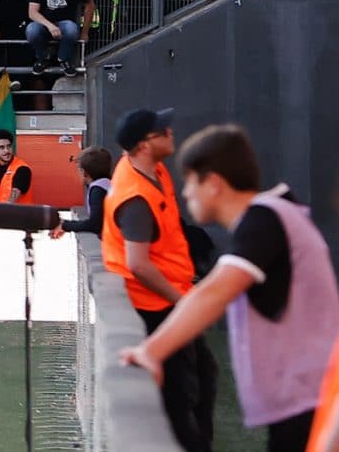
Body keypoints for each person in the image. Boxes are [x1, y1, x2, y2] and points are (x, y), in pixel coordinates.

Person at [120, 124, 337, 452]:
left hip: (313, 401)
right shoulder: (274, 217)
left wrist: (151, 351)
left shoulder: (266, 219)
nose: (186, 194)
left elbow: (215, 292)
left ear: (214, 184)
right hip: (309, 399)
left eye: (191, 182)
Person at [105, 108, 219, 452]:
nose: (170, 132)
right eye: (162, 131)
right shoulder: (135, 197)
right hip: (158, 307)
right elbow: (138, 263)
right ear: (143, 145)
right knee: (179, 398)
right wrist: (182, 300)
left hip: (170, 300)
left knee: (202, 380)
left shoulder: (152, 172)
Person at [0, 128, 33, 204]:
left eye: (9, 146)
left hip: (16, 215)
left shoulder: (22, 169)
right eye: (2, 147)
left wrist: (2, 212)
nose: (7, 151)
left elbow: (14, 195)